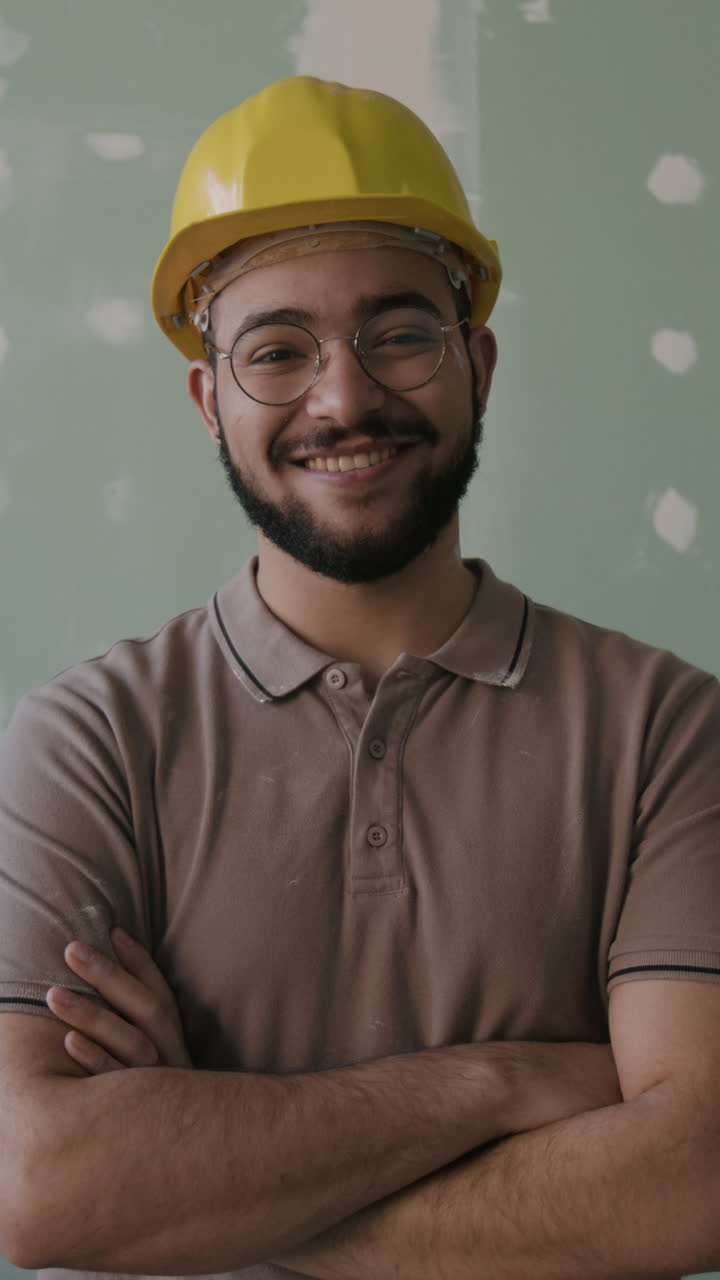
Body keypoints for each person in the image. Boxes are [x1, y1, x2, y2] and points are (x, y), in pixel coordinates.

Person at [0, 75, 719, 1280]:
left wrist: (206, 1167)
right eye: (278, 349)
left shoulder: (667, 731)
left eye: (400, 334)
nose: (345, 397)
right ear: (208, 399)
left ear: (478, 363)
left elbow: (695, 1179)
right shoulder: (89, 739)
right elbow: (36, 1183)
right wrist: (509, 1079)